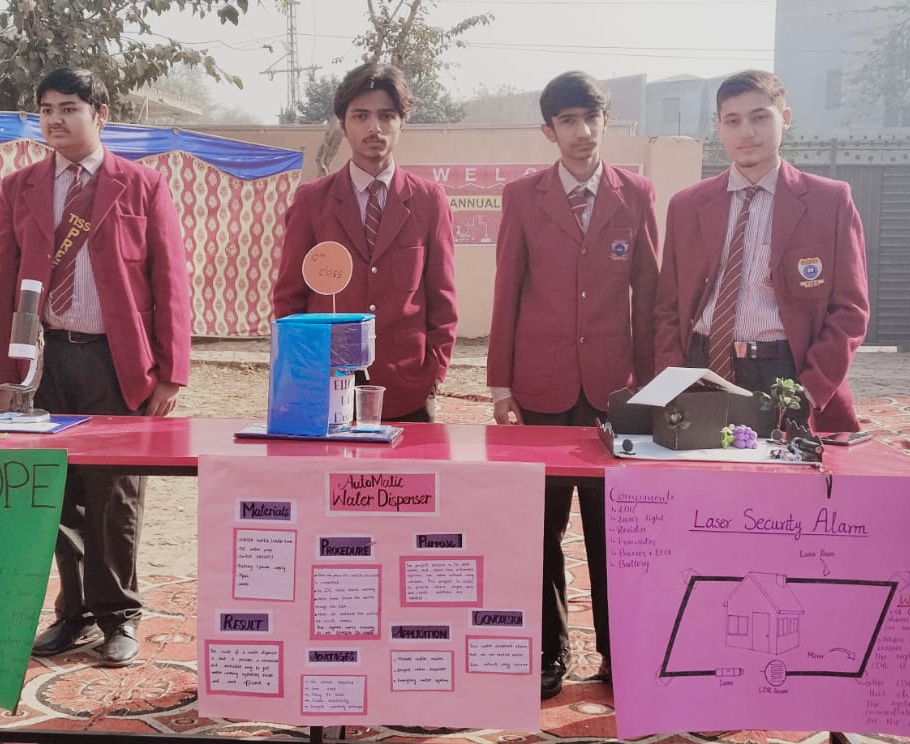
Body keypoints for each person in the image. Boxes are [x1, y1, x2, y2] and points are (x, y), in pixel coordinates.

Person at [0, 67, 191, 667]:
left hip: (117, 361)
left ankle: (119, 615)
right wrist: (2, 374)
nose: (55, 119)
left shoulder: (142, 184)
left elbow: (170, 279)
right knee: (56, 494)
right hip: (44, 360)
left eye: (69, 107)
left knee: (115, 494)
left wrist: (171, 371)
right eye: (46, 108)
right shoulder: (20, 187)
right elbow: (1, 281)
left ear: (100, 114)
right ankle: (72, 613)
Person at [486, 72, 660, 698]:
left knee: (614, 529)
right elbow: (507, 291)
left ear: (606, 121)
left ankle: (620, 652)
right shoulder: (523, 197)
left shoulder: (636, 193)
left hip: (615, 393)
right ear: (548, 130)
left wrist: (653, 390)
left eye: (591, 118)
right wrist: (501, 384)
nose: (582, 132)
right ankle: (547, 652)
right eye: (567, 121)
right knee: (540, 527)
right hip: (541, 389)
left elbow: (650, 296)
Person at [653, 70, 869, 433]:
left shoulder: (829, 201)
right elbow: (668, 307)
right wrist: (672, 375)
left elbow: (851, 310)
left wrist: (810, 390)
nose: (747, 132)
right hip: (699, 368)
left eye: (759, 117)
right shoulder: (687, 206)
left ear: (785, 118)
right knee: (700, 467)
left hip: (784, 374)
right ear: (719, 127)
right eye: (733, 121)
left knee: (779, 470)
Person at [272, 62, 458, 422]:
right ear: (343, 125)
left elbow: (442, 299)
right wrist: (304, 370)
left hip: (408, 391)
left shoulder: (429, 201)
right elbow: (289, 298)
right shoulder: (312, 201)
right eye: (361, 116)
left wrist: (434, 373)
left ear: (402, 123)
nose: (374, 128)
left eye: (386, 116)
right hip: (325, 386)